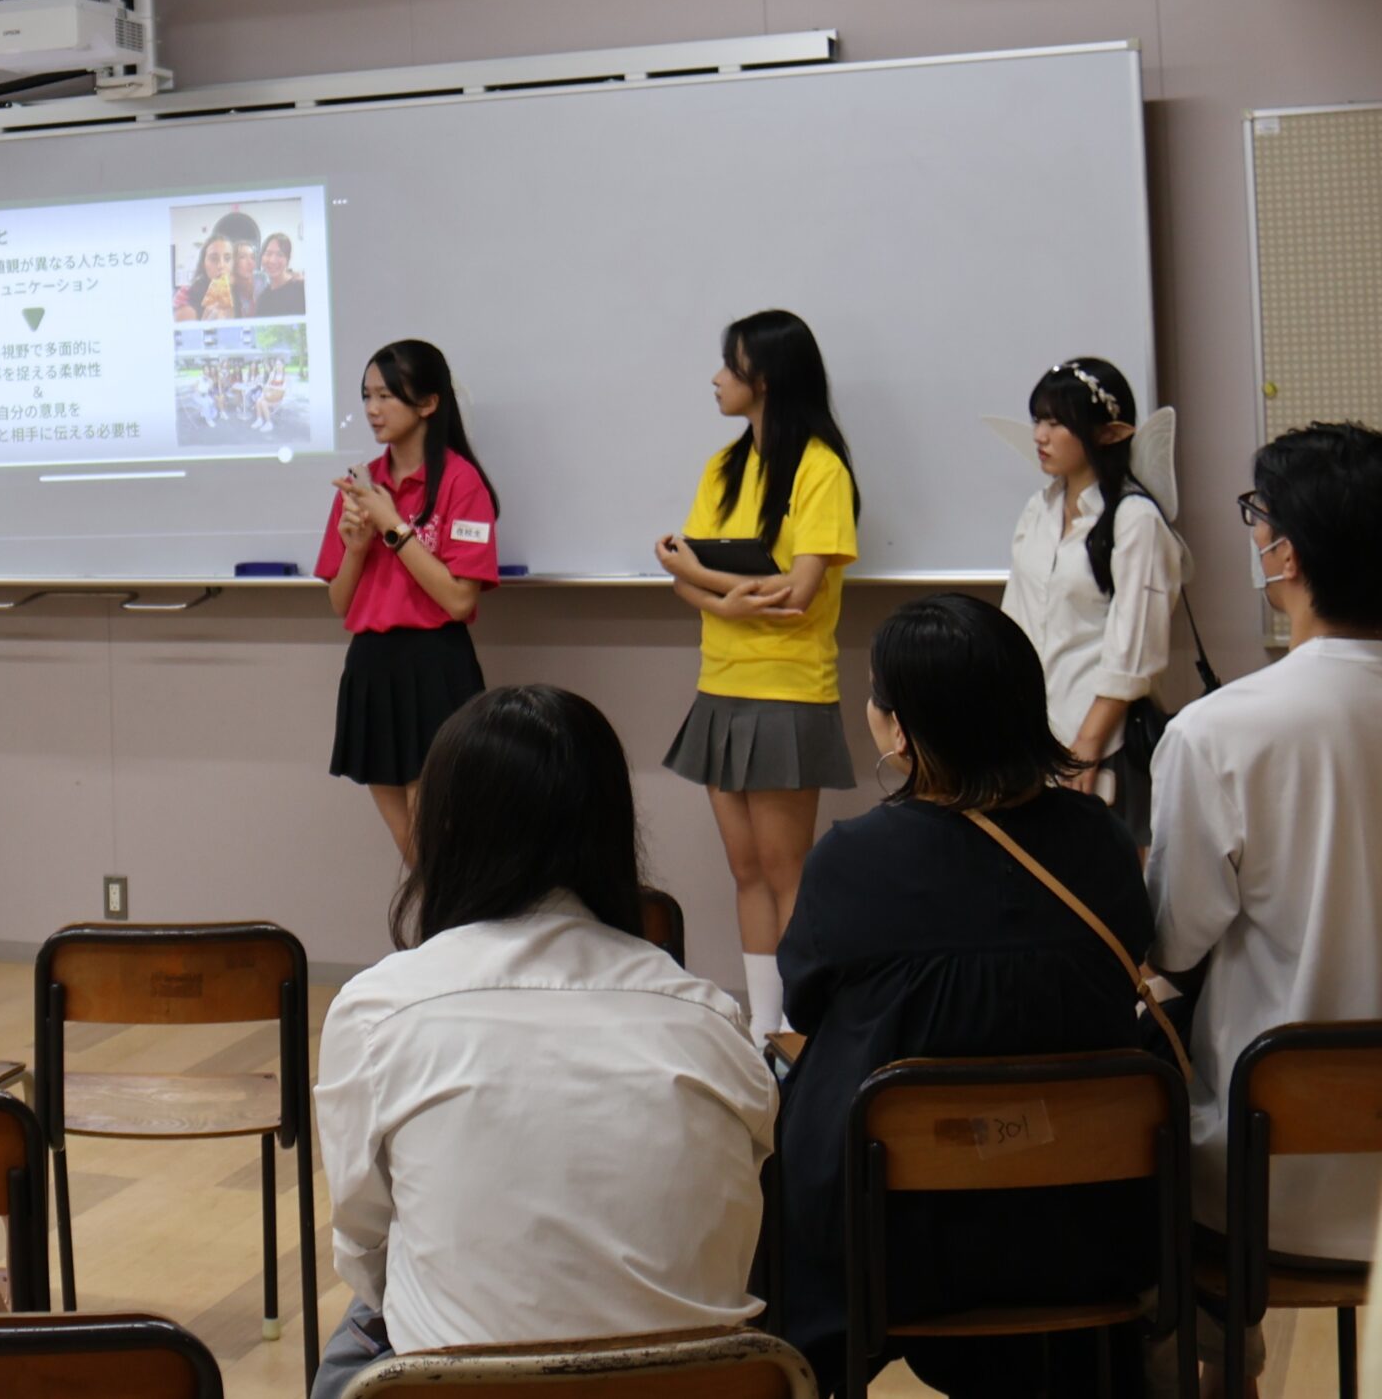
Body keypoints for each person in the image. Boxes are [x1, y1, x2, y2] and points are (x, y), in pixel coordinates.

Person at [313, 686, 775, 1399]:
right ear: (613, 828)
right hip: (698, 1386)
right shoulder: (711, 1018)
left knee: (358, 1336)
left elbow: (363, 1244)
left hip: (460, 1390)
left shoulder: (379, 1010)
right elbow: (736, 1225)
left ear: (443, 831)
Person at [779, 593, 1156, 1396]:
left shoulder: (853, 859)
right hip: (1085, 1232)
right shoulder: (1100, 841)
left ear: (902, 731)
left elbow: (805, 1003)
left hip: (894, 1246)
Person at [1150, 422, 1382, 1393]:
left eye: (1257, 516)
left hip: (1262, 1183)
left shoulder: (1217, 731)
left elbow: (1175, 937)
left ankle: (1223, 1376)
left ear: (1284, 551)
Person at [656, 309, 860, 1043]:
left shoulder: (821, 468)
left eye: (729, 365)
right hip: (721, 686)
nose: (717, 379)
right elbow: (685, 581)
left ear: (764, 377)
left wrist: (706, 579)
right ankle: (764, 1026)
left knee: (786, 868)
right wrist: (725, 596)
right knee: (745, 871)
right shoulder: (725, 465)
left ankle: (804, 1026)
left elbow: (798, 591)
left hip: (788, 690)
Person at [317, 339, 500, 863]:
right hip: (371, 668)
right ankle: (437, 920)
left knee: (440, 843)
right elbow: (340, 603)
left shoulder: (461, 482)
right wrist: (357, 547)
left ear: (428, 403)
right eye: (366, 395)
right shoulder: (362, 484)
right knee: (414, 853)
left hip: (435, 665)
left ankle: (456, 919)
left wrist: (393, 527)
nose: (372, 409)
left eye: (387, 396)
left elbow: (459, 600)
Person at [999, 358, 1191, 840]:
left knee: (1103, 871)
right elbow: (1014, 620)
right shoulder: (1038, 509)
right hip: (1030, 739)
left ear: (1109, 433)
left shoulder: (1135, 518)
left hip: (1102, 742)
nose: (1040, 435)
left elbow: (1135, 648)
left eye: (1056, 422)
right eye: (1037, 420)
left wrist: (1088, 743)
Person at [255, 232, 307, 317]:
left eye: (280, 255)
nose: (272, 260)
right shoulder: (262, 299)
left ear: (288, 259)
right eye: (268, 254)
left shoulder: (302, 289)